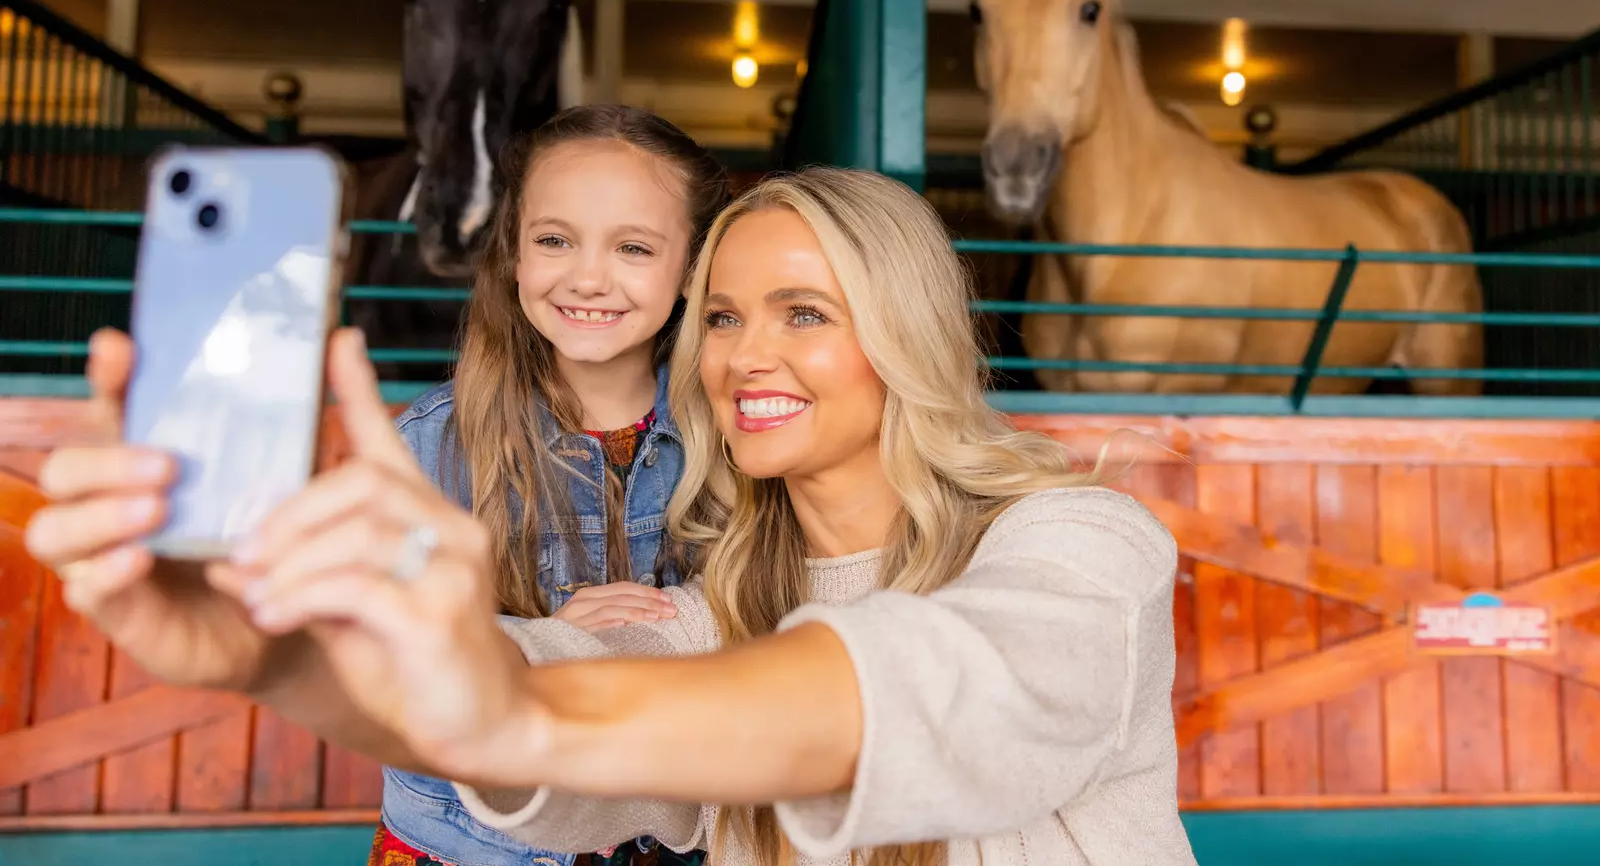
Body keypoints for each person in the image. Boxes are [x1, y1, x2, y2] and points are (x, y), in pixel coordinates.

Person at [28, 167, 1196, 866]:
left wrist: (507, 703)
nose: (746, 355)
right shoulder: (724, 612)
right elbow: (527, 680)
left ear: (911, 334)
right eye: (725, 316)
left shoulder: (1085, 549)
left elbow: (891, 691)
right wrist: (271, 650)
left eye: (803, 313)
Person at [27, 104, 730, 866]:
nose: (587, 275)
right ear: (516, 257)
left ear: (690, 267)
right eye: (554, 239)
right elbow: (372, 656)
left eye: (633, 246)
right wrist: (544, 645)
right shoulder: (426, 445)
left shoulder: (734, 442)